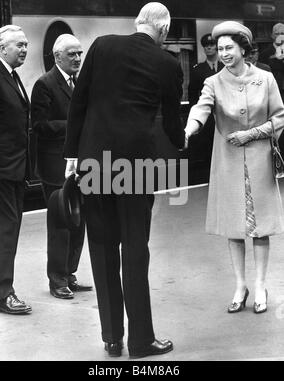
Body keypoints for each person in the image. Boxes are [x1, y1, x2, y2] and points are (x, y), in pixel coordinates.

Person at [64, 2, 184, 358]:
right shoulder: (167, 63)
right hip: (136, 167)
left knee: (101, 250)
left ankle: (111, 338)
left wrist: (72, 156)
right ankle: (142, 341)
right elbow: (172, 122)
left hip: (92, 162)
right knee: (134, 249)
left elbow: (79, 103)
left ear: (137, 23)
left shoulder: (102, 45)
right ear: (163, 30)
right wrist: (180, 142)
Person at [185, 21, 284, 315]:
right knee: (234, 227)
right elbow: (201, 107)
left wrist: (251, 135)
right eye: (220, 49)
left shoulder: (265, 79)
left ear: (243, 48)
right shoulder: (213, 82)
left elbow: (279, 117)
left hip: (259, 159)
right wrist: (189, 130)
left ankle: (260, 284)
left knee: (261, 228)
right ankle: (240, 285)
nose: (224, 53)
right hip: (227, 162)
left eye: (230, 48)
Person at [31, 34, 92, 299]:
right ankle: (57, 280)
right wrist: (76, 126)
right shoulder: (44, 84)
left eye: (80, 53)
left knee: (79, 221)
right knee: (60, 223)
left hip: (80, 166)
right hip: (55, 166)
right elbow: (40, 126)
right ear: (57, 57)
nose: (78, 58)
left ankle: (69, 273)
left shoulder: (80, 83)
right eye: (72, 54)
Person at [0, 25, 32, 314]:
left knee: (0, 230)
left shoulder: (9, 75)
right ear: (1, 48)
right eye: (19, 45)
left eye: (26, 44)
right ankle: (4, 294)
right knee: (5, 231)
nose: (24, 49)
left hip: (13, 168)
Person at [188, 33, 223, 182]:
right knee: (208, 145)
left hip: (224, 114)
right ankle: (211, 177)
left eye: (211, 45)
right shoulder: (198, 69)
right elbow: (192, 94)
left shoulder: (225, 67)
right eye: (206, 46)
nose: (208, 48)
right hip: (208, 116)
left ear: (216, 47)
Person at [259, 23, 284, 99]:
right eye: (277, 34)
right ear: (272, 35)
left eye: (282, 33)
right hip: (273, 93)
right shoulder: (264, 53)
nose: (280, 36)